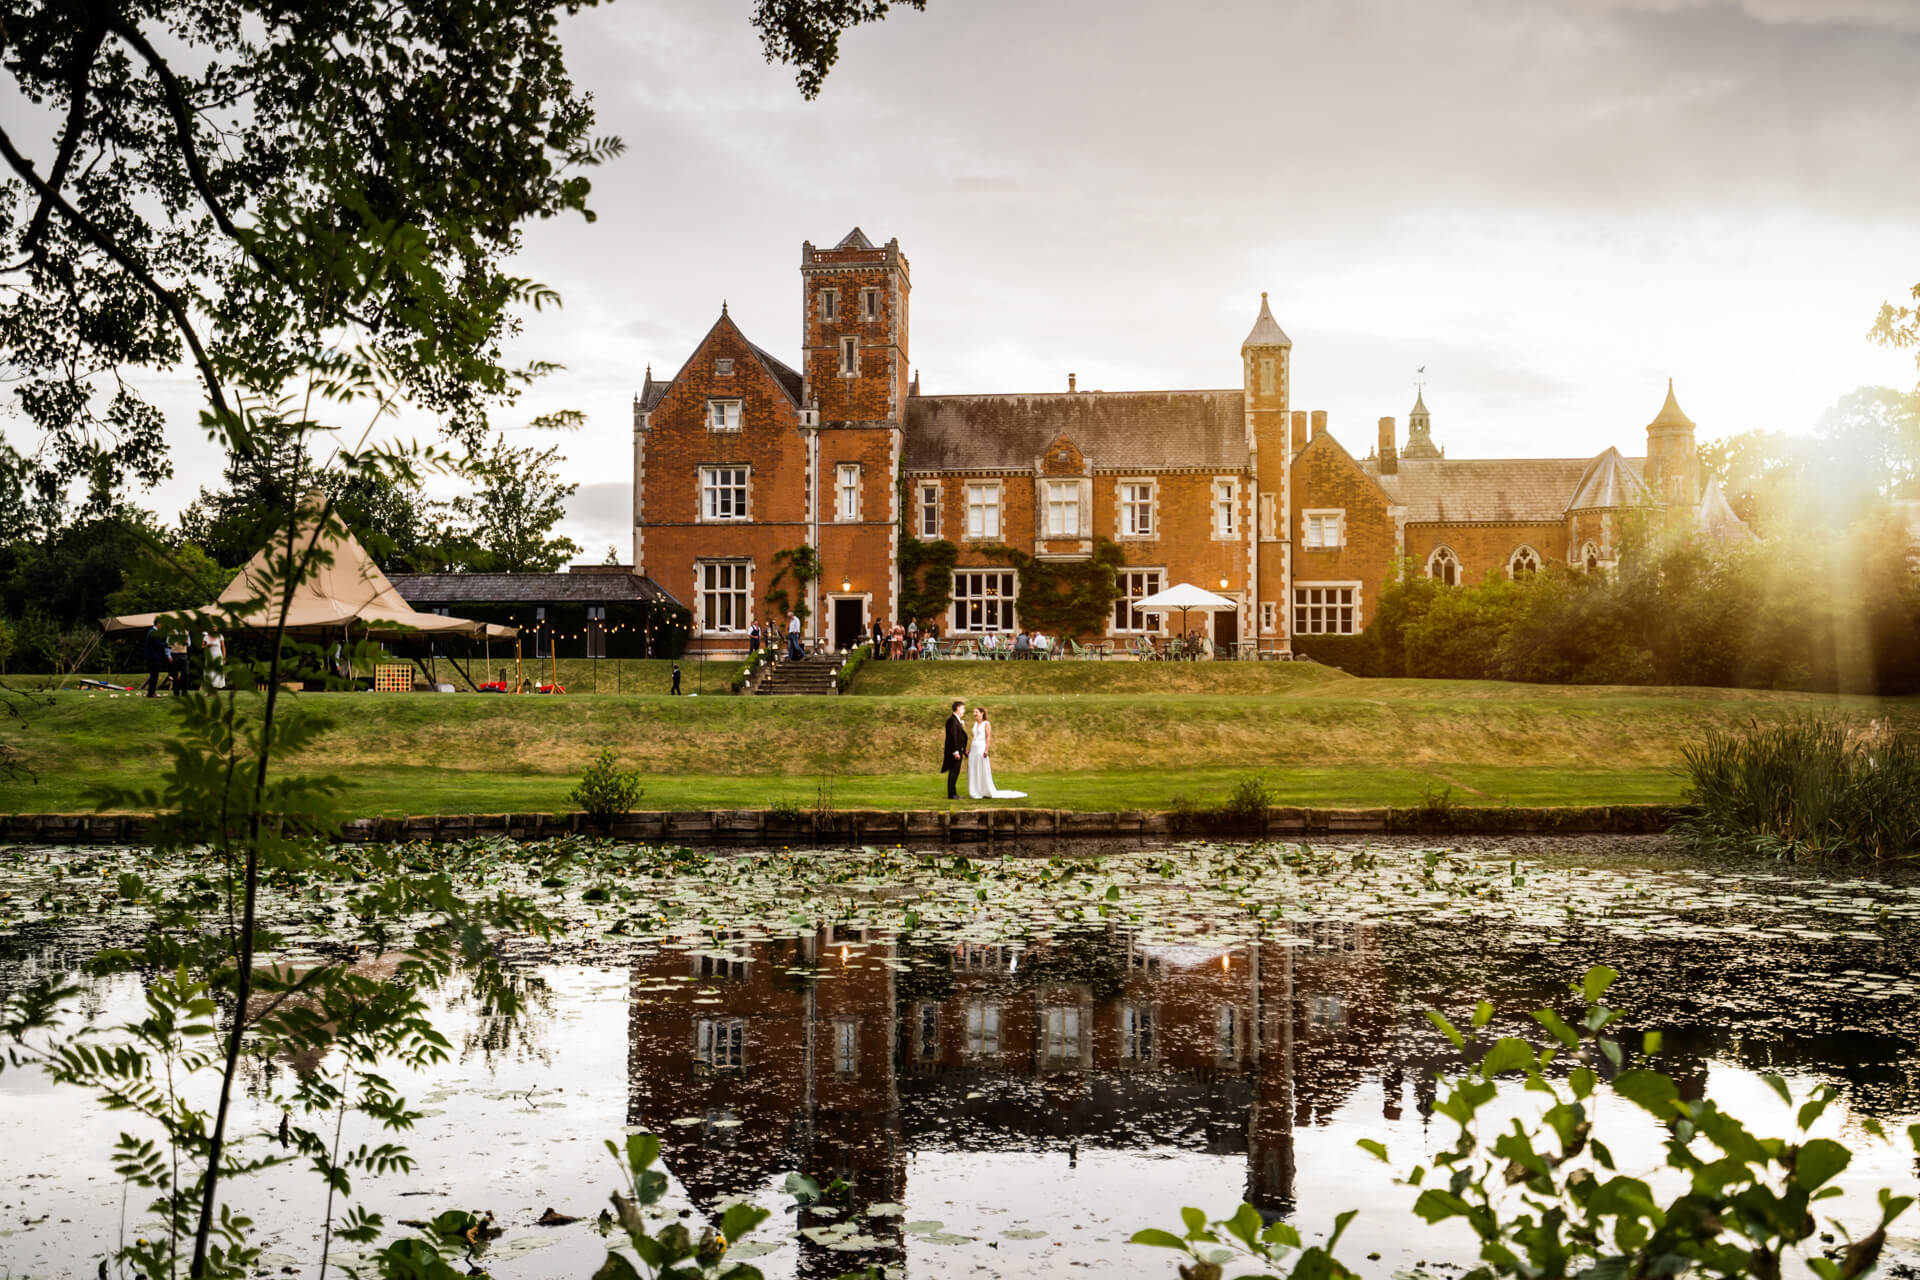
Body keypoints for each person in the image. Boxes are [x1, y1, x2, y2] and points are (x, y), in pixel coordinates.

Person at [966, 706, 1027, 800]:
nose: (975, 714)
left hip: (981, 748)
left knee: (982, 769)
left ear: (982, 713)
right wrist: (970, 749)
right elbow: (974, 738)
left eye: (976, 712)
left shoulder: (986, 723)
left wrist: (986, 749)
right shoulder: (975, 724)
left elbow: (988, 737)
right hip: (974, 748)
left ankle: (984, 790)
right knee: (974, 769)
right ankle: (976, 790)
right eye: (974, 712)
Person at [941, 699, 969, 799]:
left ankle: (953, 793)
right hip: (955, 752)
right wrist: (956, 752)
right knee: (953, 773)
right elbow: (952, 737)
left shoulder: (956, 720)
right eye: (962, 708)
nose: (963, 711)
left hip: (958, 751)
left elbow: (959, 737)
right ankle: (952, 794)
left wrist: (963, 749)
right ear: (957, 709)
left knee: (955, 773)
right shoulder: (952, 720)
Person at [143, 624, 171, 697]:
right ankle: (151, 693)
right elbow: (158, 643)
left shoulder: (151, 631)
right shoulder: (153, 632)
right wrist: (168, 644)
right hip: (153, 656)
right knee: (154, 675)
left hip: (153, 656)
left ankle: (151, 692)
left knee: (154, 675)